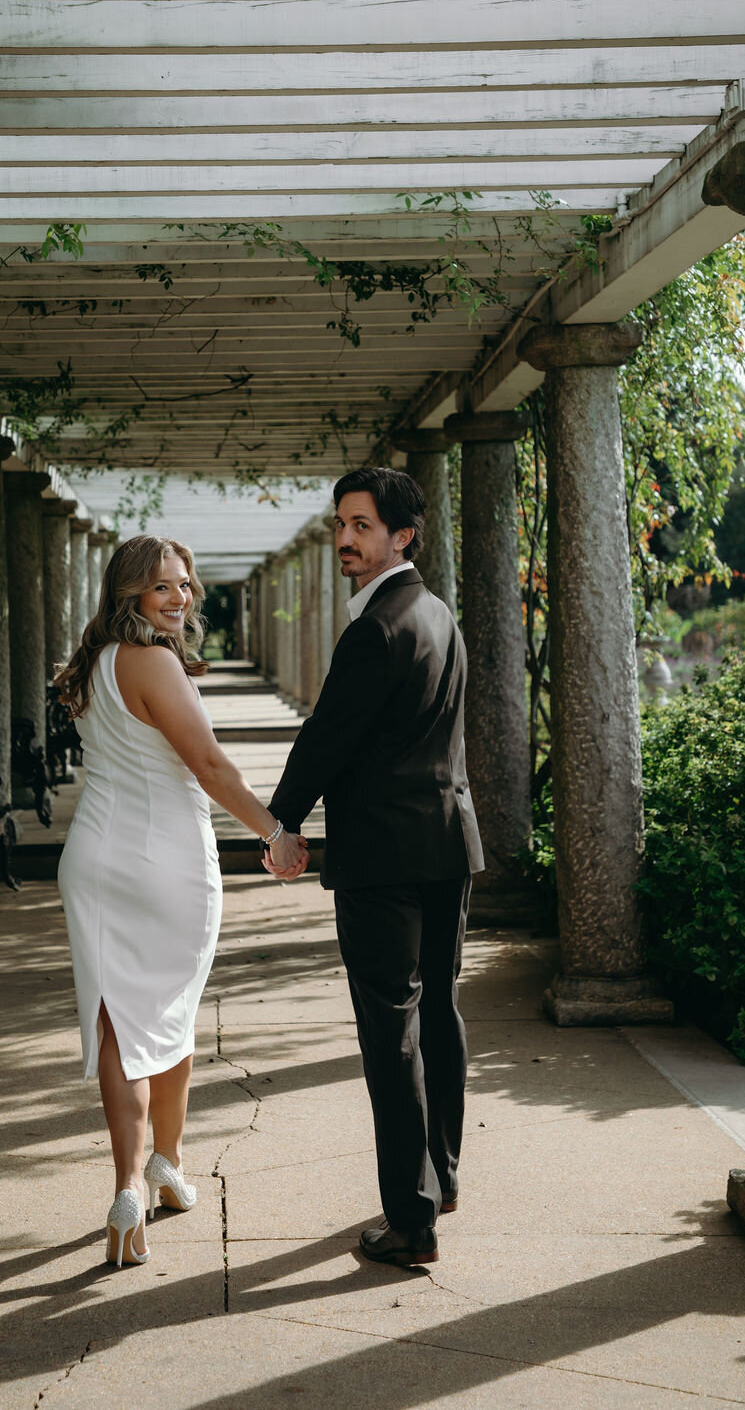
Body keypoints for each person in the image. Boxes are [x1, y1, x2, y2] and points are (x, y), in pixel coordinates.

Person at [55, 534, 306, 1268]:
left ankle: (150, 1173)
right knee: (163, 1013)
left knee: (119, 1018)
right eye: (164, 586)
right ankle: (149, 1168)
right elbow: (209, 764)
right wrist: (275, 832)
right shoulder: (153, 661)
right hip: (161, 860)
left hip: (94, 858)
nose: (181, 597)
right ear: (129, 590)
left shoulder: (95, 662)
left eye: (186, 585)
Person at [266, 466, 484, 1267]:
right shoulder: (438, 614)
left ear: (403, 535)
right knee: (438, 1014)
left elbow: (329, 736)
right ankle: (444, 1178)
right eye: (341, 524)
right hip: (445, 843)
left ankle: (411, 1220)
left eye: (361, 525)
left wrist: (282, 819)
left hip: (385, 862)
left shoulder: (376, 628)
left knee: (392, 1030)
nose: (345, 539)